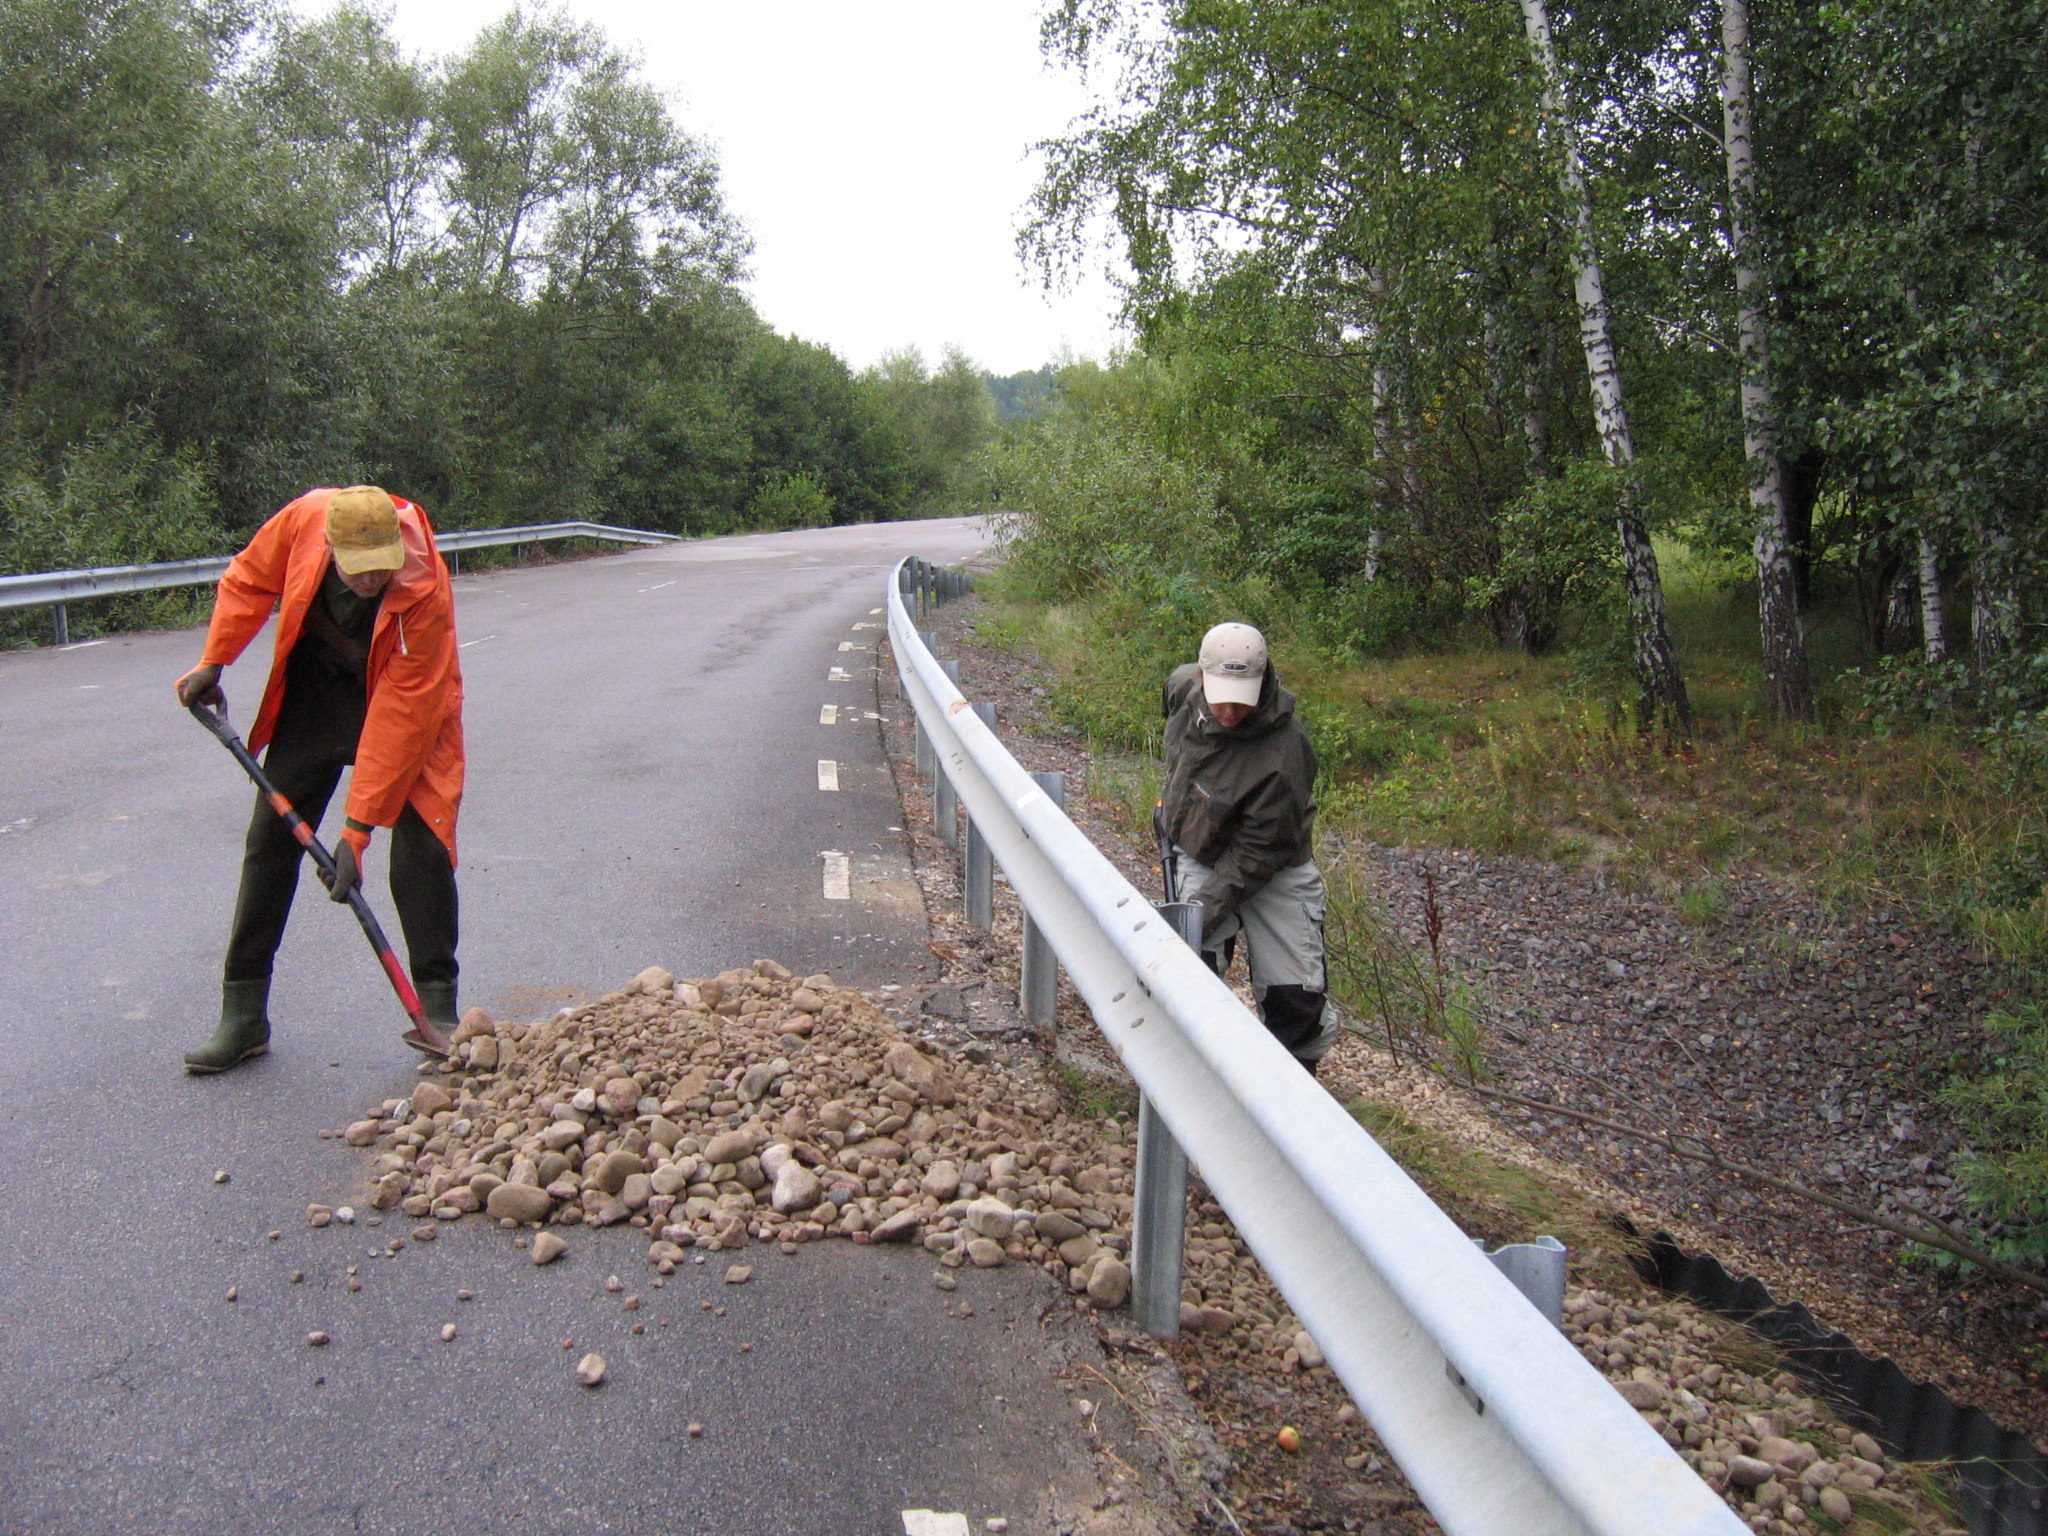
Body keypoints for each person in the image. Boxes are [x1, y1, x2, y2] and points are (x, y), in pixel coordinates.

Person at [175, 485, 465, 1073]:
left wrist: (356, 833)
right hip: (318, 688)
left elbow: (400, 720)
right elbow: (250, 580)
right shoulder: (305, 519)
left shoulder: (423, 584)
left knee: (423, 846)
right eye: (358, 570)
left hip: (407, 700)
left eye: (380, 568)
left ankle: (437, 1008)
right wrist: (214, 658)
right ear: (329, 544)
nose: (370, 580)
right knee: (269, 843)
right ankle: (244, 1012)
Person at [1159, 621, 1336, 1073]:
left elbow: (1255, 858)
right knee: (1191, 968)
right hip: (1200, 849)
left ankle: (1291, 1100)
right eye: (1221, 696)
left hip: (1274, 865)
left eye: (1242, 698)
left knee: (1295, 1001)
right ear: (1201, 677)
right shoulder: (1182, 687)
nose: (1231, 712)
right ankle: (1193, 1078)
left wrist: (1202, 909)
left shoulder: (1285, 752)